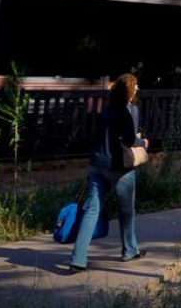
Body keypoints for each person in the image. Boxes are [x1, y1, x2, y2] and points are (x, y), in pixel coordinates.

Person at [68, 73, 147, 271]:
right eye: (135, 88)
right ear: (130, 91)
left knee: (92, 210)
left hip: (97, 163)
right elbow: (129, 140)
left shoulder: (106, 110)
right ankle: (129, 250)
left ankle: (78, 257)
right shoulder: (126, 113)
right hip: (118, 167)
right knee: (126, 210)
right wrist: (142, 142)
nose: (136, 91)